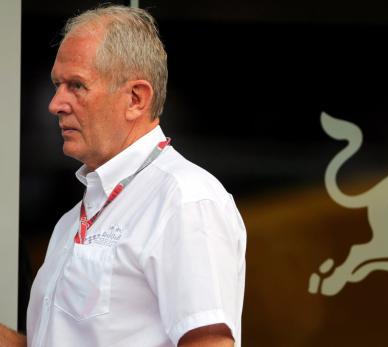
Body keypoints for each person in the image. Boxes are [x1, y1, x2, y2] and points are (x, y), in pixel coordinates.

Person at [0, 4, 246, 347]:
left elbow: (210, 342)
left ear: (136, 98)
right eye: (57, 85)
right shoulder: (75, 219)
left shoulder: (185, 199)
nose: (55, 104)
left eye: (76, 86)